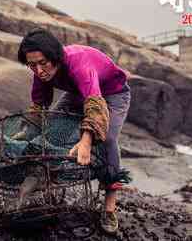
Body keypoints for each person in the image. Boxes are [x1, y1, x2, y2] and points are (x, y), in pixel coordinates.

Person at [17, 28, 131, 234]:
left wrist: (86, 141)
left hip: (112, 93)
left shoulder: (79, 64)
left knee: (107, 139)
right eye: (32, 65)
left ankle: (109, 208)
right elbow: (39, 106)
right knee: (52, 130)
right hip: (77, 94)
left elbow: (95, 105)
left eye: (43, 63)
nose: (39, 70)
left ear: (55, 57)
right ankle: (45, 180)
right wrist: (26, 133)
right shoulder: (40, 72)